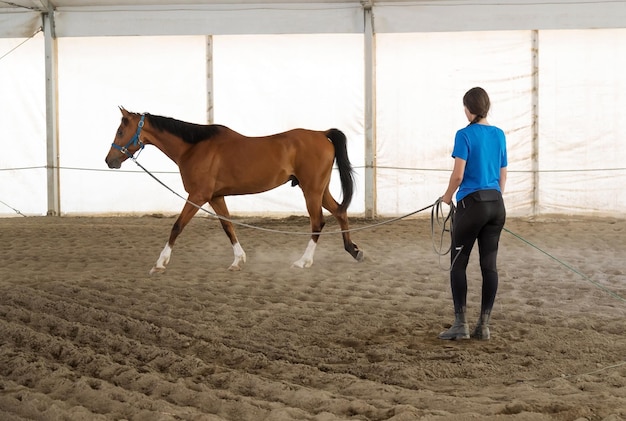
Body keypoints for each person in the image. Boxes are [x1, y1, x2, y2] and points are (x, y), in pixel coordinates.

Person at [439, 87, 507, 340]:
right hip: (496, 204)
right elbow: (503, 175)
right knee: (489, 266)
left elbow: (458, 174)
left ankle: (460, 325)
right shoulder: (499, 135)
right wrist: (493, 201)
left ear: (469, 109)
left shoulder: (464, 135)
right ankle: (484, 326)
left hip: (472, 205)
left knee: (458, 264)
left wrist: (447, 197)